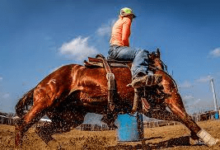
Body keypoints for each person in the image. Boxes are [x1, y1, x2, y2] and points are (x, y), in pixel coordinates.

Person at [108, 7, 160, 88]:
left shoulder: (118, 21)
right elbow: (124, 38)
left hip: (112, 50)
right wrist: (127, 48)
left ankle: (144, 75)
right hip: (118, 49)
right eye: (132, 16)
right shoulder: (127, 20)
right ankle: (138, 76)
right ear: (130, 15)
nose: (132, 19)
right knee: (141, 52)